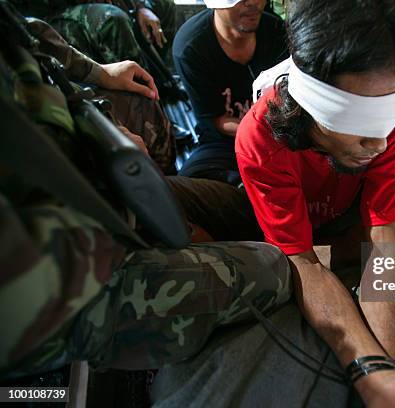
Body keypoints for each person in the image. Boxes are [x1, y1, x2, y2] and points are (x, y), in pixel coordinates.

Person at [0, 4, 291, 379]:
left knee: (233, 214)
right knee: (276, 269)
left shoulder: (276, 35)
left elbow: (21, 33)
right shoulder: (194, 44)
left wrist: (94, 84)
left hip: (95, 177)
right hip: (72, 283)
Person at [234, 0, 395, 405]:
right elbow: (302, 260)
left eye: (389, 121)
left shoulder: (387, 136)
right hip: (297, 234)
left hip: (341, 224)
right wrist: (368, 371)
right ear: (313, 105)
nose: (379, 144)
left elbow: (384, 241)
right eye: (360, 126)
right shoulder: (259, 137)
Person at [172, 0, 288, 182]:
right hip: (226, 140)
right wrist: (260, 132)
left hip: (279, 133)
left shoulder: (276, 30)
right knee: (191, 180)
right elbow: (215, 120)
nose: (254, 2)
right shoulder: (191, 47)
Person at [9, 0, 176, 65]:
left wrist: (140, 7)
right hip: (49, 16)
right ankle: (144, 108)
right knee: (112, 19)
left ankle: (160, 83)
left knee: (164, 5)